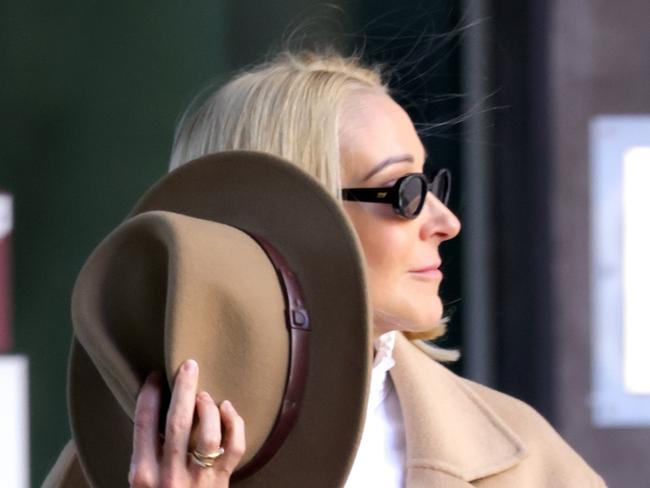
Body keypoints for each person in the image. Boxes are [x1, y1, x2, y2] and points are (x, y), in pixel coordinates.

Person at [45, 50, 606, 487]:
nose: (446, 221)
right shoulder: (111, 464)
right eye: (405, 190)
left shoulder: (524, 459)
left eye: (432, 185)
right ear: (295, 216)